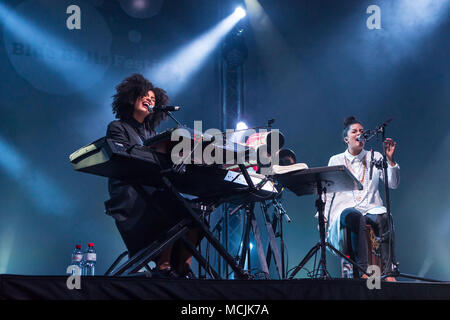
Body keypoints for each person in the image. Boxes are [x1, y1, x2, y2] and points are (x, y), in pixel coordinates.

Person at [104, 73, 201, 278]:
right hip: (131, 194)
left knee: (196, 212)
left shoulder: (150, 135)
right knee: (169, 206)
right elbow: (125, 159)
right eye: (145, 96)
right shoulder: (117, 127)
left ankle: (183, 268)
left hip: (153, 190)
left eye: (153, 99)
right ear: (131, 97)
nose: (150, 100)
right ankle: (163, 266)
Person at [322, 116, 400, 280]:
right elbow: (327, 193)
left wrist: (390, 160)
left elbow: (393, 184)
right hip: (346, 212)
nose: (359, 134)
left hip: (371, 208)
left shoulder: (375, 156)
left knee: (386, 217)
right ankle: (364, 271)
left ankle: (389, 272)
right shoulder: (335, 160)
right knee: (355, 216)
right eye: (354, 131)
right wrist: (323, 217)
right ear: (346, 139)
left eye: (362, 131)